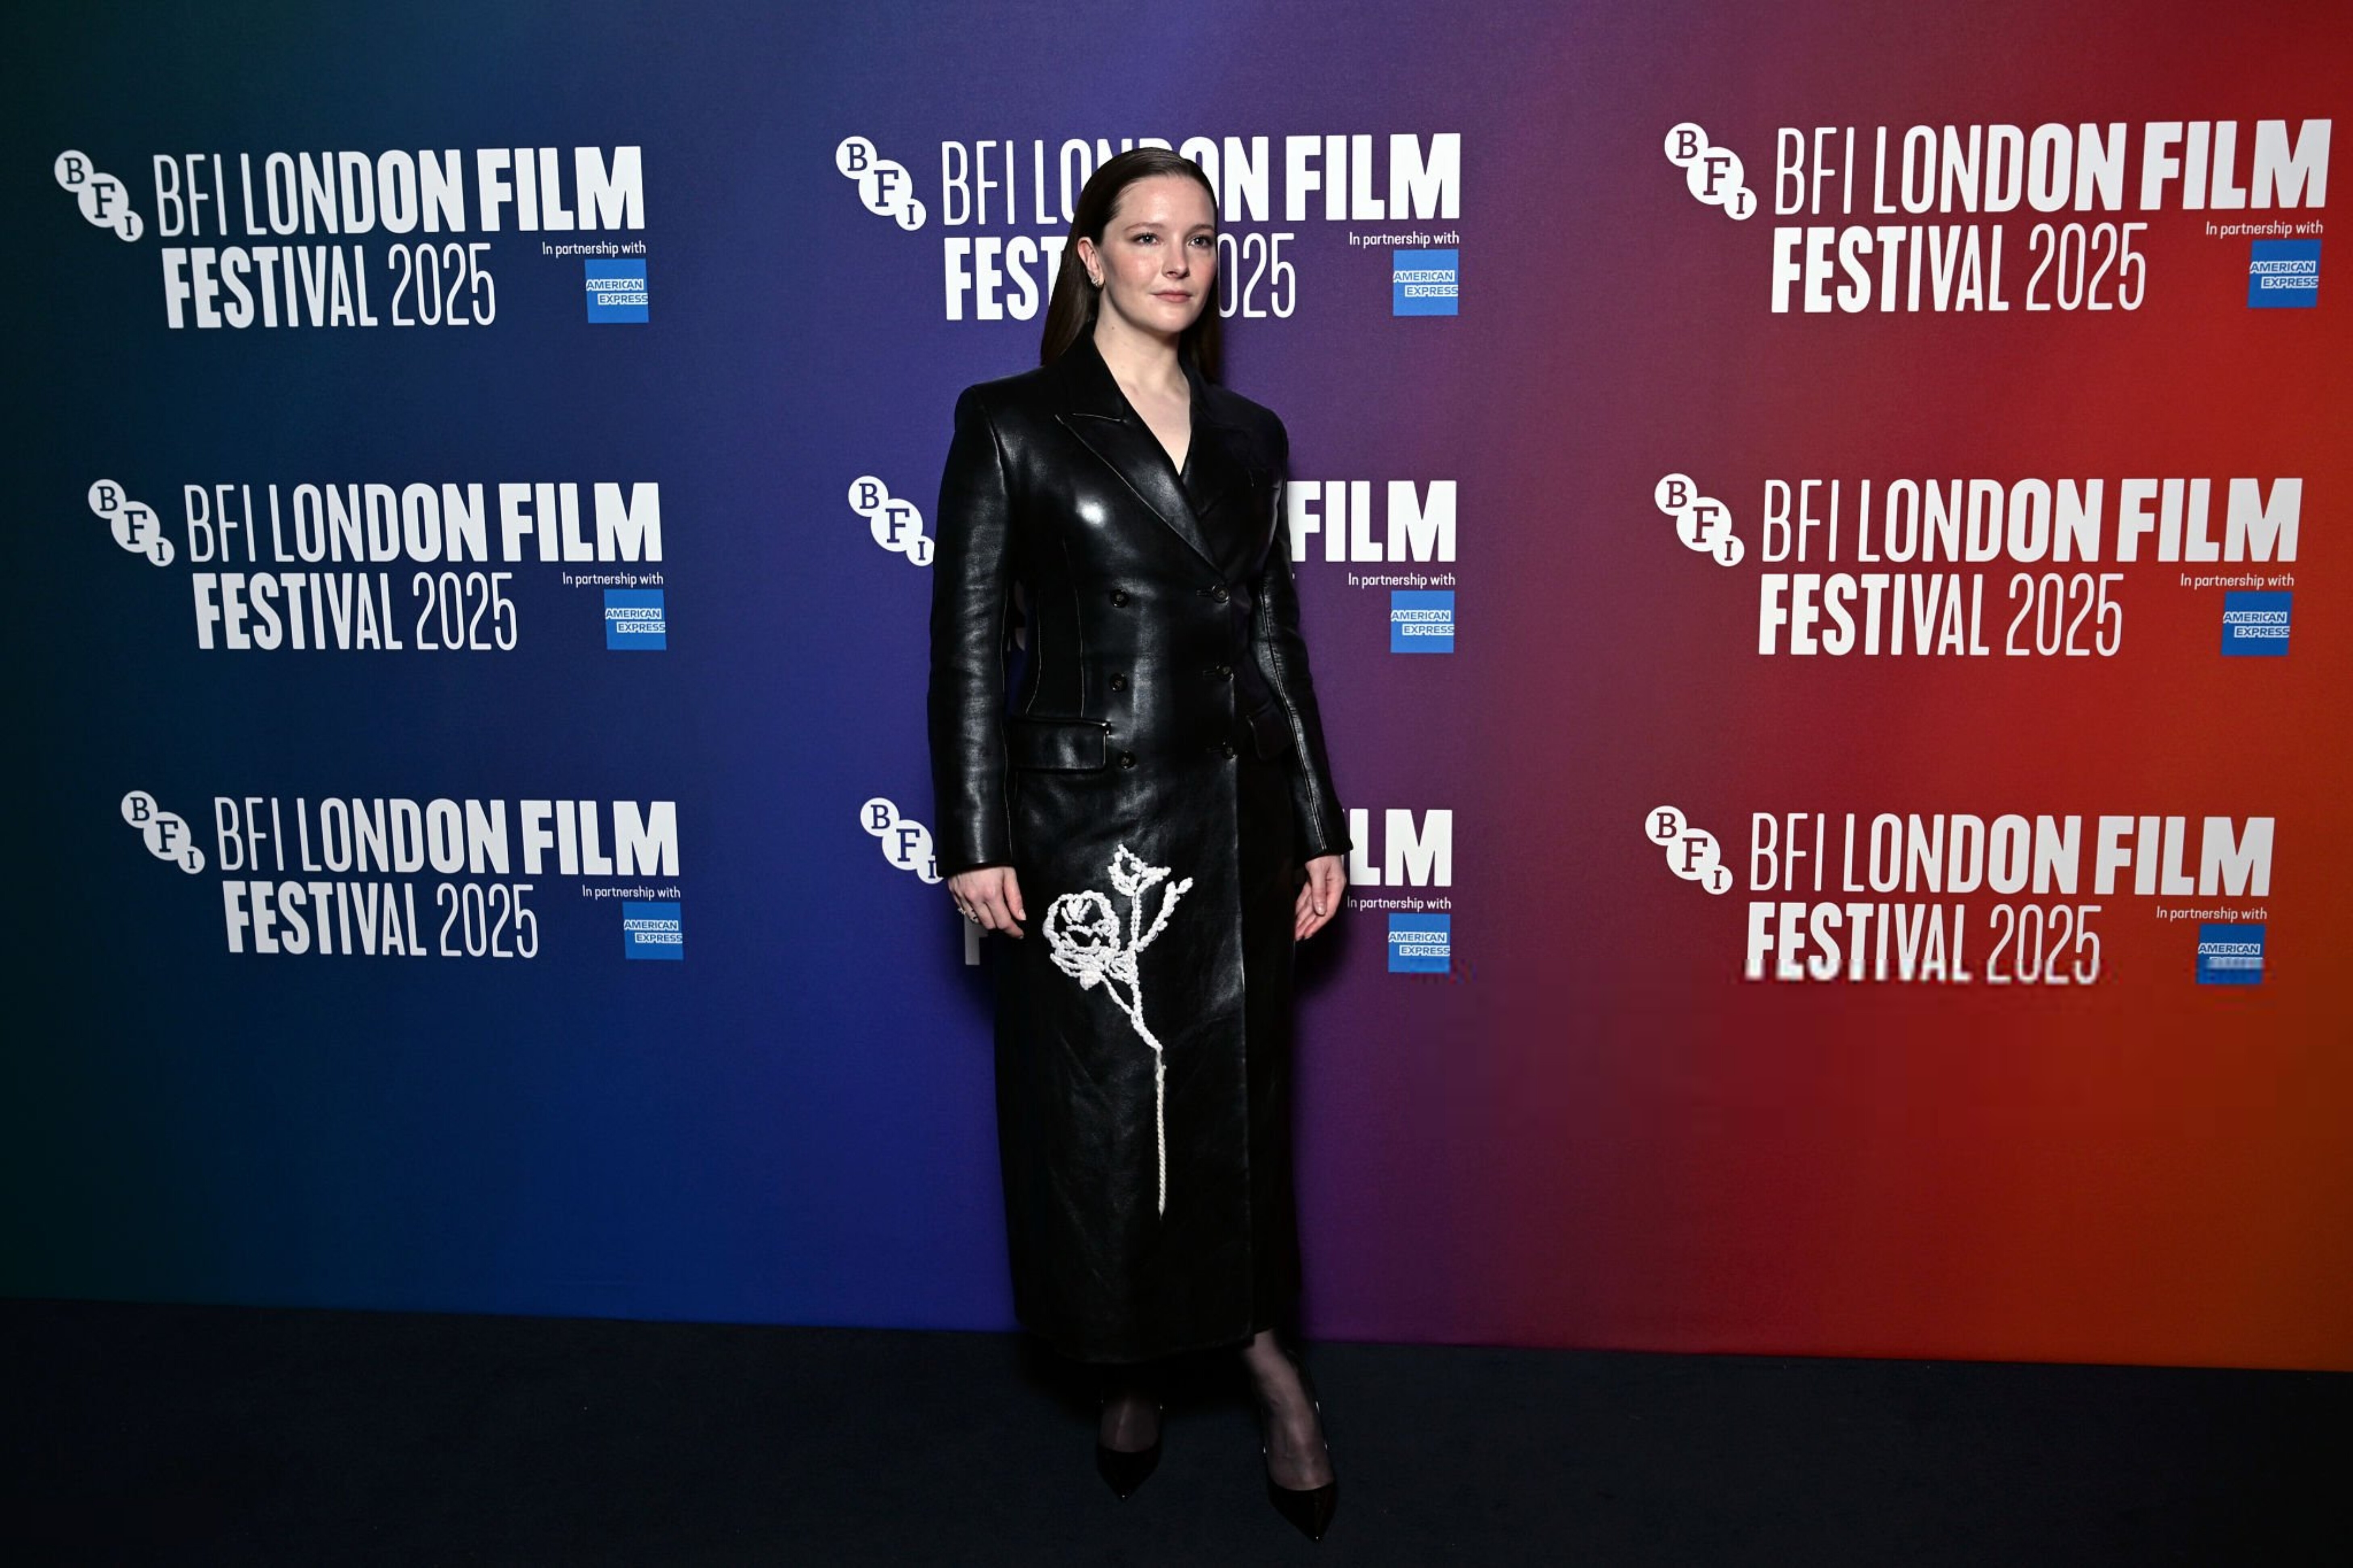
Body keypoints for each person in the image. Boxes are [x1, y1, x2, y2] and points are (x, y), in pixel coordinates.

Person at [926, 147, 1348, 1540]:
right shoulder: (1011, 422)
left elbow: (1274, 642)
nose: (1179, 262)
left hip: (1230, 826)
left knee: (1236, 1110)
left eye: (1202, 239)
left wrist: (1319, 823)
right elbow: (969, 647)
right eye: (1149, 236)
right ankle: (1125, 1361)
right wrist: (976, 836)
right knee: (1104, 1117)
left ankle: (1267, 1367)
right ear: (1091, 255)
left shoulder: (1254, 436)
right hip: (1081, 834)